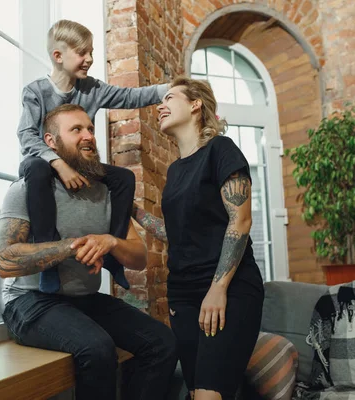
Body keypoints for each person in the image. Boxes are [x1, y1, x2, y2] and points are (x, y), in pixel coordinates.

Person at [0, 104, 178, 400]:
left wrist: (112, 242)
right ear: (51, 143)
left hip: (85, 301)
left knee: (162, 342)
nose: (88, 136)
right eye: (76, 130)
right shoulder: (25, 190)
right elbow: (4, 261)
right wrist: (70, 246)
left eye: (90, 129)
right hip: (29, 303)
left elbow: (139, 259)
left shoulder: (107, 195)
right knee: (97, 349)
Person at [132, 77, 264, 400]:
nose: (160, 107)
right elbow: (176, 235)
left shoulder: (221, 150)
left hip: (229, 288)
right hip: (184, 297)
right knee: (195, 392)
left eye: (169, 98)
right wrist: (136, 214)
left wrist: (218, 288)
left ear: (195, 105)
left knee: (209, 395)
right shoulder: (175, 172)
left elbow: (241, 220)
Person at [17, 19, 168, 294]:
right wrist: (58, 163)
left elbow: (130, 97)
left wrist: (169, 90)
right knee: (36, 169)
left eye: (92, 52)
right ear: (58, 56)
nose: (90, 59)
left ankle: (113, 250)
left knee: (123, 177)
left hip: (80, 164)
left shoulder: (93, 89)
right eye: (82, 53)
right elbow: (26, 135)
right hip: (43, 162)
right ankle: (49, 264)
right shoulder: (35, 91)